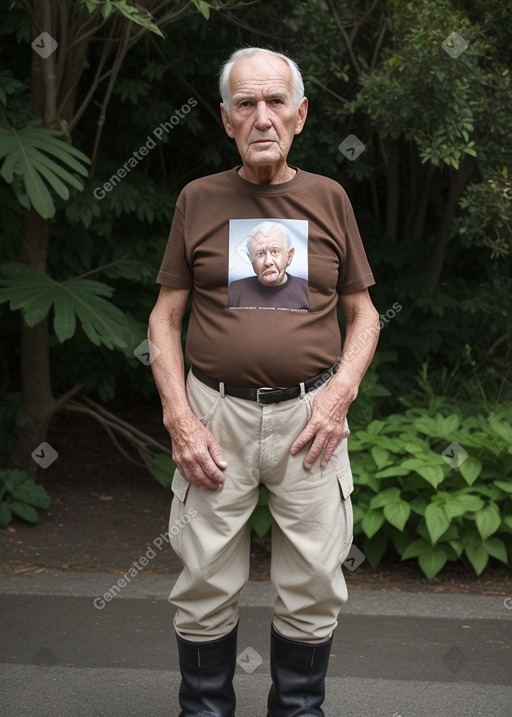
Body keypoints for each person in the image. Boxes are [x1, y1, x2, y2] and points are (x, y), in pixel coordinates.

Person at [149, 46, 380, 717]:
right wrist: (178, 415)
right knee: (203, 580)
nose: (262, 116)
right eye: (245, 103)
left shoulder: (329, 198)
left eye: (276, 100)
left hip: (311, 419)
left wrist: (340, 395)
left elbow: (363, 313)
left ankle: (298, 709)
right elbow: (165, 319)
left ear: (300, 114)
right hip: (212, 416)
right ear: (226, 119)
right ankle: (204, 709)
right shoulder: (198, 199)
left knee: (313, 582)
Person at [228, 221, 309, 309]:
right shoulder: (234, 291)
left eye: (275, 251)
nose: (268, 262)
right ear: (250, 259)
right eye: (260, 254)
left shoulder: (306, 290)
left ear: (289, 256)